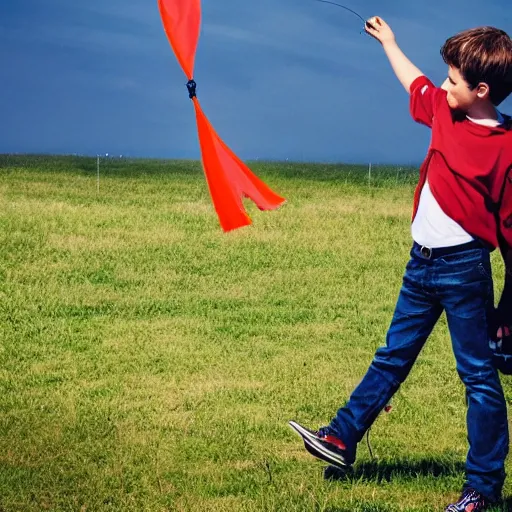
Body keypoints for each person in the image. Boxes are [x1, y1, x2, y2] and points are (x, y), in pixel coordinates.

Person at [290, 17, 512, 512]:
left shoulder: (506, 148)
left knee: (477, 376)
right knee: (391, 356)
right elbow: (414, 80)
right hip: (421, 265)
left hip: (465, 271)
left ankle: (482, 487)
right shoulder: (443, 111)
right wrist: (389, 42)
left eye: (453, 80)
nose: (443, 85)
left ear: (481, 90)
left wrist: (507, 310)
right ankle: (343, 438)